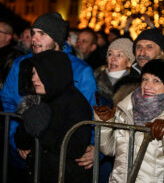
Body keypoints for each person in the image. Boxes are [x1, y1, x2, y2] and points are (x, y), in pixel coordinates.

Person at [0, 12, 97, 180]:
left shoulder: (81, 70)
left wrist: (95, 148)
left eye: (42, 34)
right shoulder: (21, 64)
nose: (34, 39)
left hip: (62, 162)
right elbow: (8, 104)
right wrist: (17, 141)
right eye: (33, 33)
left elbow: (91, 115)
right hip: (24, 157)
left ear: (57, 38)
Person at [94, 55, 164, 182]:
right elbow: (110, 150)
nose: (147, 86)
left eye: (156, 81)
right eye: (145, 79)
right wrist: (106, 123)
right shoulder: (127, 106)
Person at [15, 50, 92, 183]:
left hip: (66, 176)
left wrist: (42, 132)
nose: (33, 79)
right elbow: (23, 141)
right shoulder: (39, 100)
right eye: (33, 73)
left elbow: (74, 147)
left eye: (40, 73)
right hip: (37, 173)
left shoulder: (76, 103)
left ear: (54, 73)